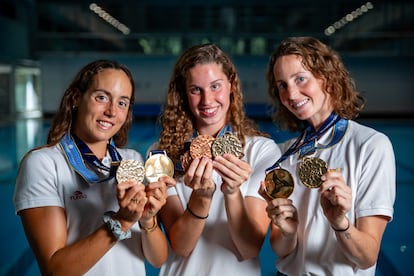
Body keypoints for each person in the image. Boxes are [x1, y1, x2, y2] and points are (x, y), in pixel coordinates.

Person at [13, 59, 175, 275]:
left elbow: (158, 259)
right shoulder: (43, 164)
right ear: (76, 98)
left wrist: (147, 219)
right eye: (101, 97)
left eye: (122, 103)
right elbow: (55, 270)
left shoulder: (131, 160)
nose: (111, 111)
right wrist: (122, 221)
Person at [260, 36, 396, 275]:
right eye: (282, 85)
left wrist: (339, 223)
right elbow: (281, 250)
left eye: (300, 79)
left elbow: (367, 257)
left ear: (328, 77)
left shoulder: (370, 146)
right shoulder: (283, 155)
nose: (291, 94)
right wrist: (288, 231)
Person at [155, 43, 281, 275]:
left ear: (231, 85)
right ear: (183, 92)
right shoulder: (160, 154)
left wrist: (232, 191)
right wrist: (202, 197)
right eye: (195, 90)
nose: (207, 100)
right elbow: (181, 247)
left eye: (215, 86)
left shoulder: (261, 151)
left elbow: (250, 248)